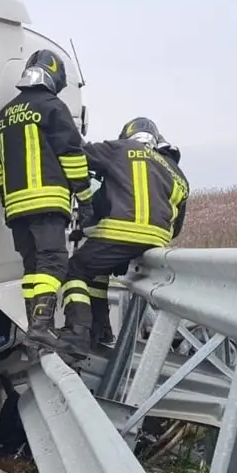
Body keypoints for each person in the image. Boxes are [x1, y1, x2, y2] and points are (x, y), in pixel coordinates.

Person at [0, 49, 93, 350]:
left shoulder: (6, 114)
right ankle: (41, 327)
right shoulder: (53, 107)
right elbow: (72, 156)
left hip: (16, 207)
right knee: (54, 262)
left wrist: (6, 201)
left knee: (32, 267)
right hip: (47, 202)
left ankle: (33, 328)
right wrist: (85, 200)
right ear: (54, 76)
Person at [59, 117, 188, 354]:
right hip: (156, 241)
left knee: (74, 270)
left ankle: (76, 333)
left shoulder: (120, 149)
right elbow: (177, 225)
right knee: (97, 272)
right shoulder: (175, 171)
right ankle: (101, 331)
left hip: (120, 234)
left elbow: (80, 153)